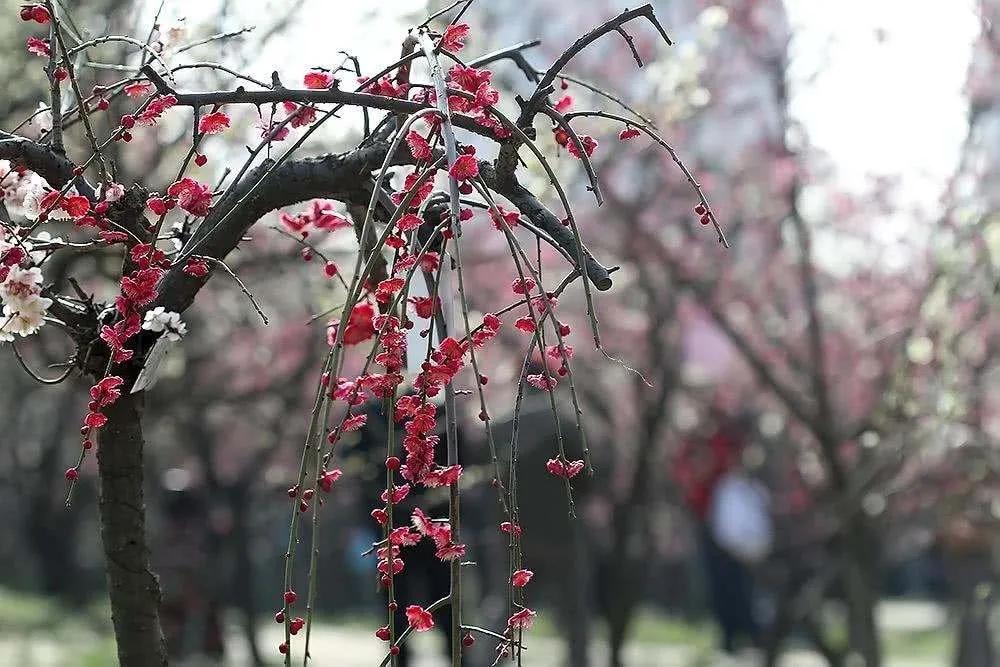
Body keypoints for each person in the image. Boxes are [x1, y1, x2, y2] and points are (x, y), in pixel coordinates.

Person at [674, 416, 762, 654]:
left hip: (730, 525)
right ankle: (730, 635)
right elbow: (685, 477)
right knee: (719, 583)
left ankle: (749, 632)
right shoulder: (693, 444)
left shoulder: (724, 440)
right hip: (708, 522)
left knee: (739, 583)